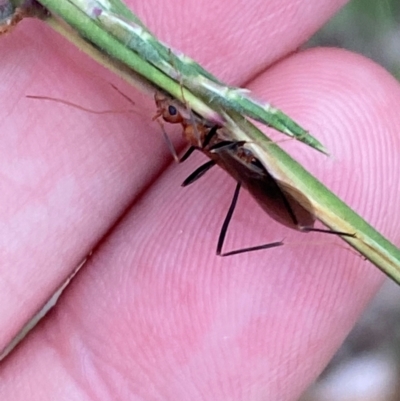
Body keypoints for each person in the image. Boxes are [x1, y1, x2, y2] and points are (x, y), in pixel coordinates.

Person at [1, 0, 399, 399]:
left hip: (239, 160)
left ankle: (307, 226)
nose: (168, 109)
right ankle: (302, 232)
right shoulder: (209, 136)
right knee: (240, 183)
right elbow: (208, 144)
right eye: (171, 111)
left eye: (170, 110)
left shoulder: (204, 133)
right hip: (240, 161)